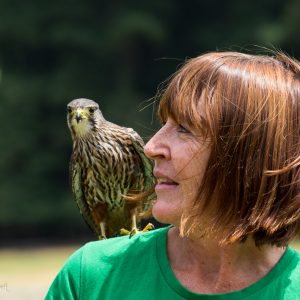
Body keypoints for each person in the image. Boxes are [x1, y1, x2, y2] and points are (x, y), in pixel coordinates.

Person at [45, 51, 300, 299]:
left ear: (250, 155)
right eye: (163, 123)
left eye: (184, 128)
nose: (150, 147)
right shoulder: (90, 275)